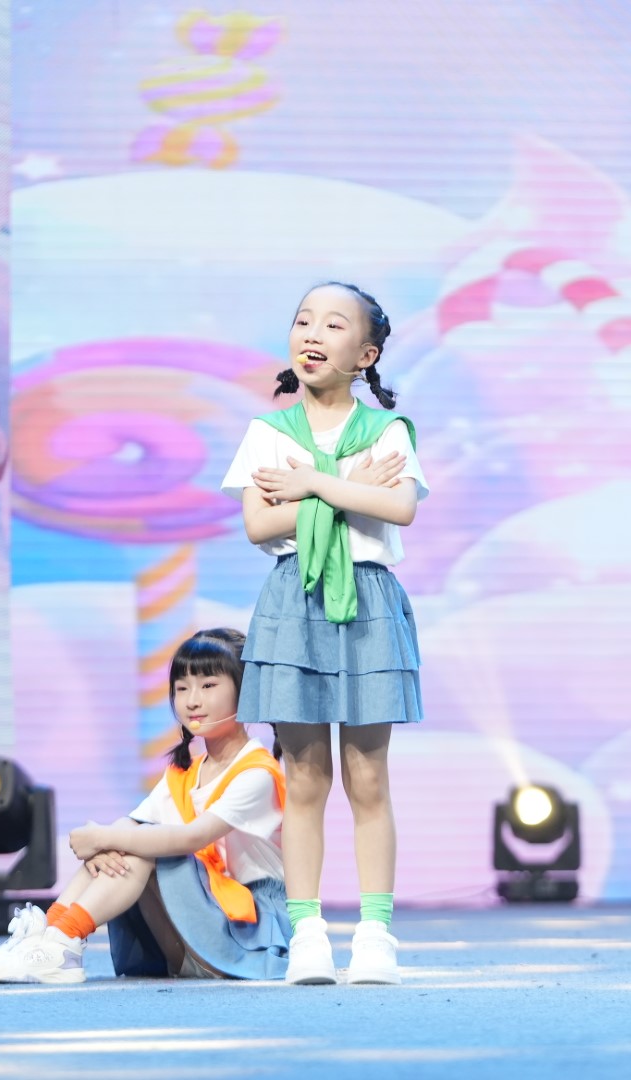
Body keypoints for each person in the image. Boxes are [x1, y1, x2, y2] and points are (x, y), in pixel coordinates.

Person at [220, 281, 427, 986]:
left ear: (366, 354)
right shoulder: (268, 432)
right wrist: (346, 484)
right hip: (293, 601)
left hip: (367, 600)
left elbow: (398, 508)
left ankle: (375, 935)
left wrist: (310, 484)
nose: (311, 334)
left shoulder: (389, 432)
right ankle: (307, 933)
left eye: (333, 325)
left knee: (368, 779)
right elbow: (260, 524)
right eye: (303, 320)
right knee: (303, 779)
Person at [0, 628, 289, 983]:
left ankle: (63, 940)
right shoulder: (186, 772)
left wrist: (102, 838)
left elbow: (192, 838)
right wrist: (102, 844)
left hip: (249, 936)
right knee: (131, 839)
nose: (192, 700)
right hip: (199, 926)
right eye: (182, 688)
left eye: (208, 686)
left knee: (141, 844)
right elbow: (132, 824)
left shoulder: (257, 772)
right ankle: (48, 934)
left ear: (245, 692)